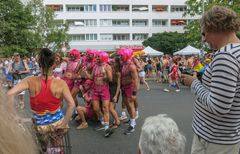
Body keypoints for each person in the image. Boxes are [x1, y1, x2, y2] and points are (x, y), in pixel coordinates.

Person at [182, 6, 240, 154]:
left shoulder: (225, 56)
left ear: (214, 27)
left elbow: (218, 107)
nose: (204, 39)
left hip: (214, 139)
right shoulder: (236, 51)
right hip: (227, 136)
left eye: (204, 33)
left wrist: (194, 83)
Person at [7, 48, 75, 153]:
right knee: (57, 149)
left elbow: (10, 94)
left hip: (40, 125)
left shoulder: (29, 80)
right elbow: (71, 105)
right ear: (54, 65)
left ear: (39, 64)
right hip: (58, 123)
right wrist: (63, 125)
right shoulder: (61, 83)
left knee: (41, 149)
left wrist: (14, 116)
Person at [118, 48, 138, 135]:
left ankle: (133, 125)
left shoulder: (131, 66)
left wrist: (134, 93)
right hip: (124, 87)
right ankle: (131, 119)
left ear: (126, 55)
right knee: (127, 104)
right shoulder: (124, 64)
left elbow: (136, 80)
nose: (120, 56)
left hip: (130, 87)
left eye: (122, 55)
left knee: (130, 105)